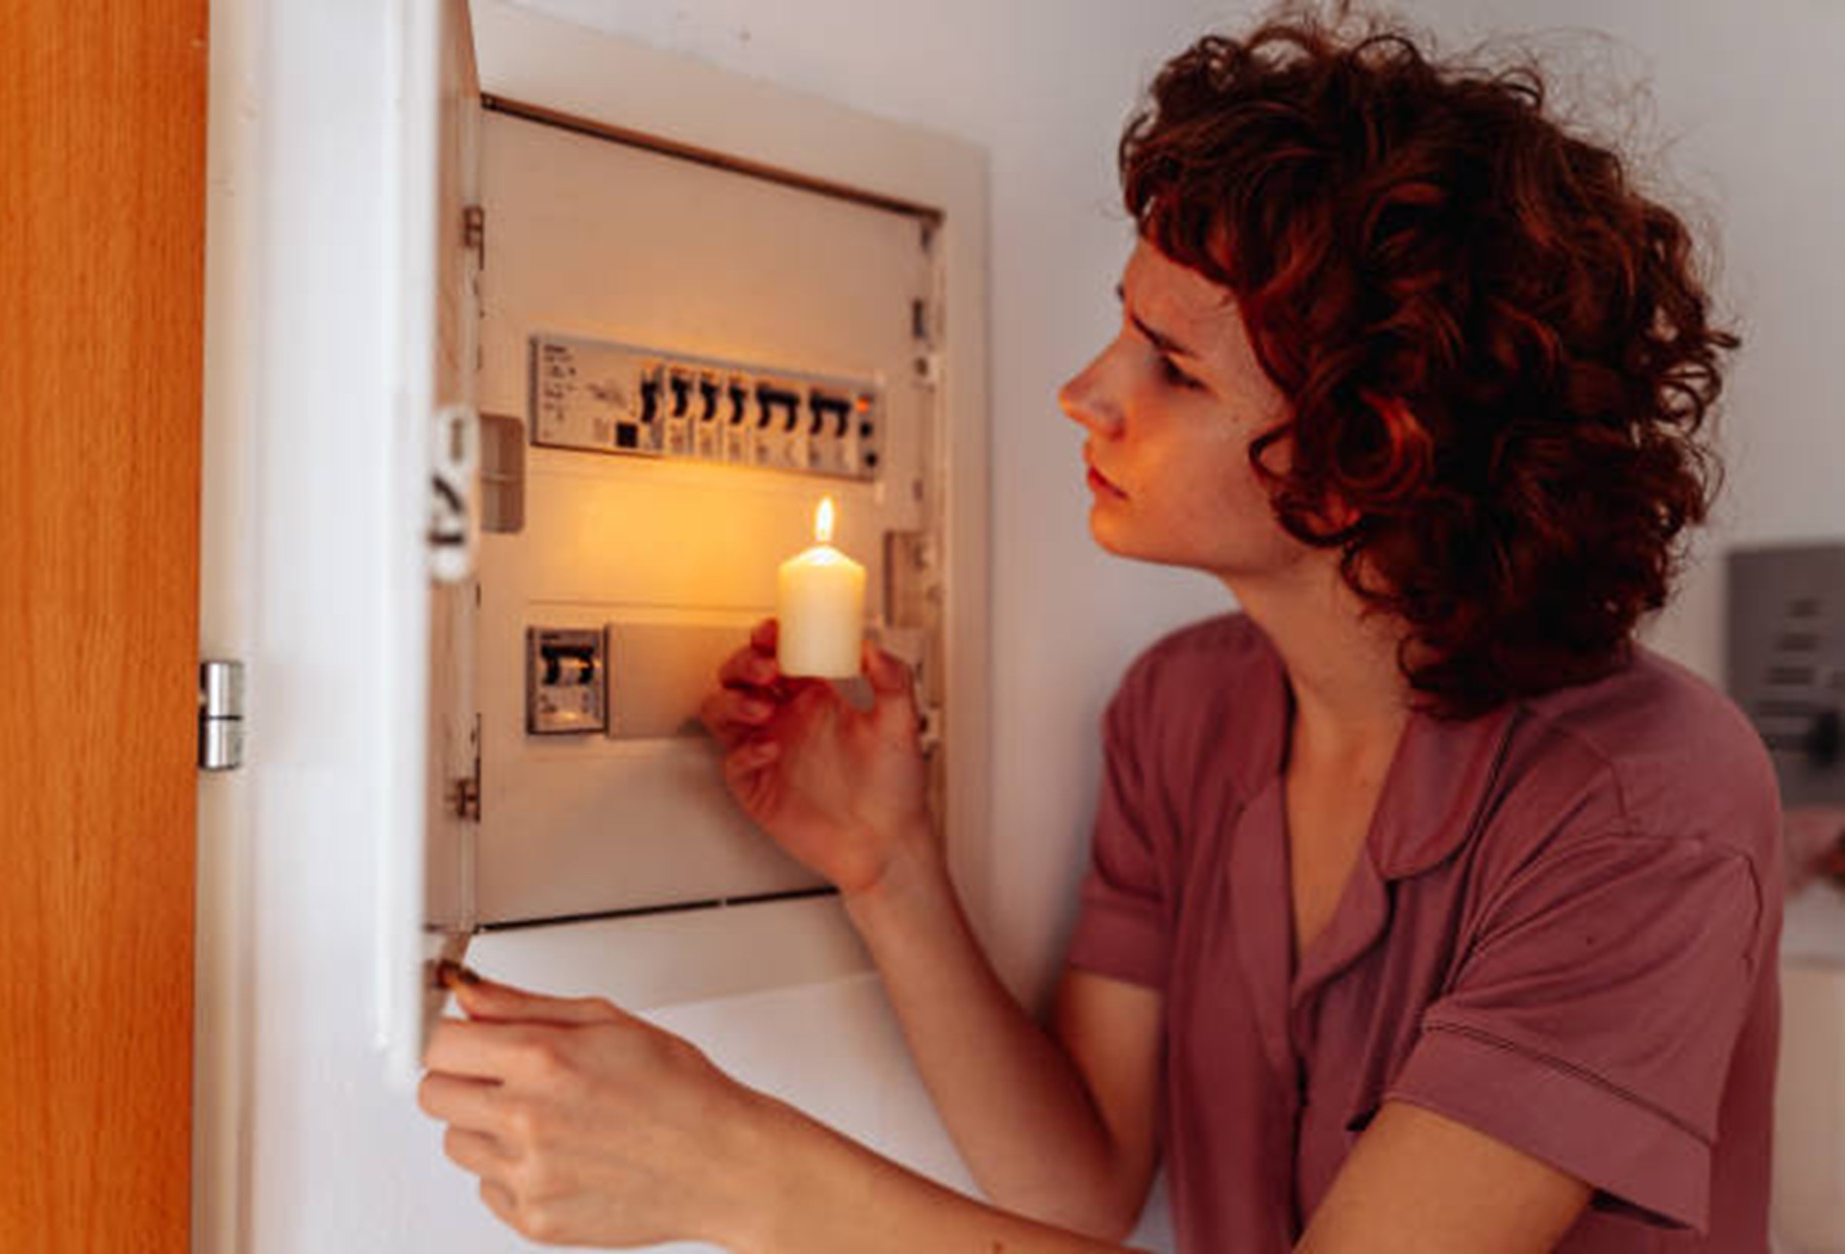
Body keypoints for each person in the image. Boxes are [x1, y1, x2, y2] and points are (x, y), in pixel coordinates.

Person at [417, 11, 1782, 1252]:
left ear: (1372, 451)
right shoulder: (1183, 709)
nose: (1086, 392)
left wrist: (735, 1173)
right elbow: (1075, 1190)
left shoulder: (1648, 804)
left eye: (1171, 368)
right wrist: (887, 865)